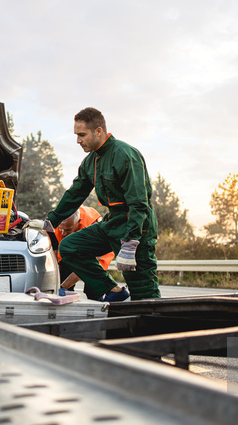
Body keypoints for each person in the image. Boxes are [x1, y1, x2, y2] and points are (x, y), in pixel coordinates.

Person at [44, 107, 161, 302]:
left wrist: (131, 241)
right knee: (71, 247)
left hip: (136, 226)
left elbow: (138, 203)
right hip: (112, 223)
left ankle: (158, 327)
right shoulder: (90, 162)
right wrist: (52, 220)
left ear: (98, 131)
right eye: (76, 135)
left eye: (82, 135)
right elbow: (75, 193)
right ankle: (113, 291)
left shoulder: (125, 155)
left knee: (143, 292)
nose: (78, 140)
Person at [54, 206, 114, 300]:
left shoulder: (91, 225)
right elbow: (54, 257)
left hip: (99, 252)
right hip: (70, 249)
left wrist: (62, 287)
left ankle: (100, 307)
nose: (64, 233)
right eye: (61, 229)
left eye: (68, 230)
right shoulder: (55, 223)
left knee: (92, 288)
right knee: (63, 276)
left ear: (79, 222)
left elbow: (86, 266)